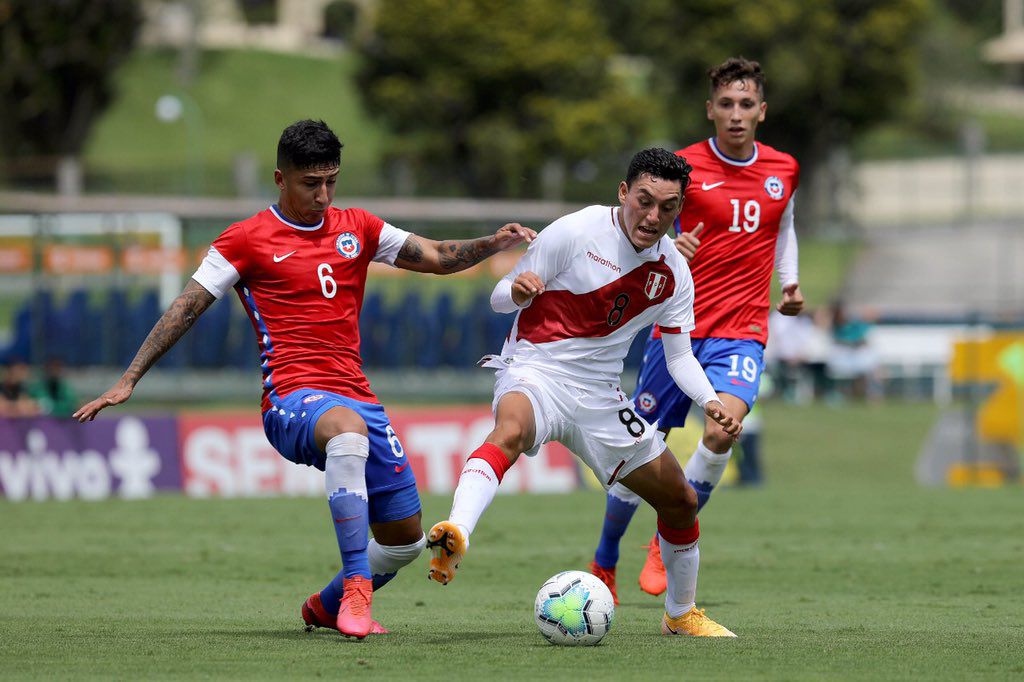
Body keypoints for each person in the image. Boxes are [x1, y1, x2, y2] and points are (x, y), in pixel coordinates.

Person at [73, 119, 536, 639]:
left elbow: (435, 257)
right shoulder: (245, 240)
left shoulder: (358, 227)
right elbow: (185, 307)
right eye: (310, 184)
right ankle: (357, 591)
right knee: (347, 432)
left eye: (331, 182)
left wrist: (494, 242)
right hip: (291, 398)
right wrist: (129, 379)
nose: (322, 195)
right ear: (280, 178)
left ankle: (324, 604)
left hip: (355, 396)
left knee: (406, 539)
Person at [425, 148, 743, 637]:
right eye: (644, 200)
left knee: (680, 500)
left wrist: (711, 402)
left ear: (680, 208)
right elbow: (497, 296)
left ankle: (681, 616)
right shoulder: (574, 232)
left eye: (668, 207)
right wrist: (516, 291)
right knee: (510, 430)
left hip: (601, 397)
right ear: (623, 192)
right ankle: (456, 533)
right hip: (535, 369)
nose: (653, 216)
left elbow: (679, 357)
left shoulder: (674, 274)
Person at [588, 57, 804, 602]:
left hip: (742, 329)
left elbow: (785, 229)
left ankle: (665, 539)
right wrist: (670, 245)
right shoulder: (680, 169)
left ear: (762, 111)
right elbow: (640, 233)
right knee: (641, 448)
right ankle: (606, 557)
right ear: (710, 110)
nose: (735, 114)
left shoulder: (785, 169)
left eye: (746, 104)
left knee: (721, 429)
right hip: (677, 329)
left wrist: (792, 283)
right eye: (725, 104)